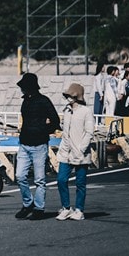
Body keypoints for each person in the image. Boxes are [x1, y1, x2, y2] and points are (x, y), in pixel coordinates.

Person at [14, 73, 61, 220]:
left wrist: (43, 131)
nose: (21, 89)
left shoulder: (43, 101)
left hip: (40, 145)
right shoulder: (25, 101)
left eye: (23, 87)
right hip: (24, 144)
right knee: (19, 176)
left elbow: (55, 120)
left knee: (39, 179)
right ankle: (28, 204)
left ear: (30, 87)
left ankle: (39, 208)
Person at [56, 82, 93, 221]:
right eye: (67, 95)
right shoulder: (66, 111)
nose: (68, 98)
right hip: (66, 151)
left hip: (81, 153)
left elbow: (89, 132)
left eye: (70, 95)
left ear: (77, 96)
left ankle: (79, 210)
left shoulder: (86, 111)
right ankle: (66, 208)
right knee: (61, 180)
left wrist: (81, 148)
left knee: (80, 183)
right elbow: (65, 132)